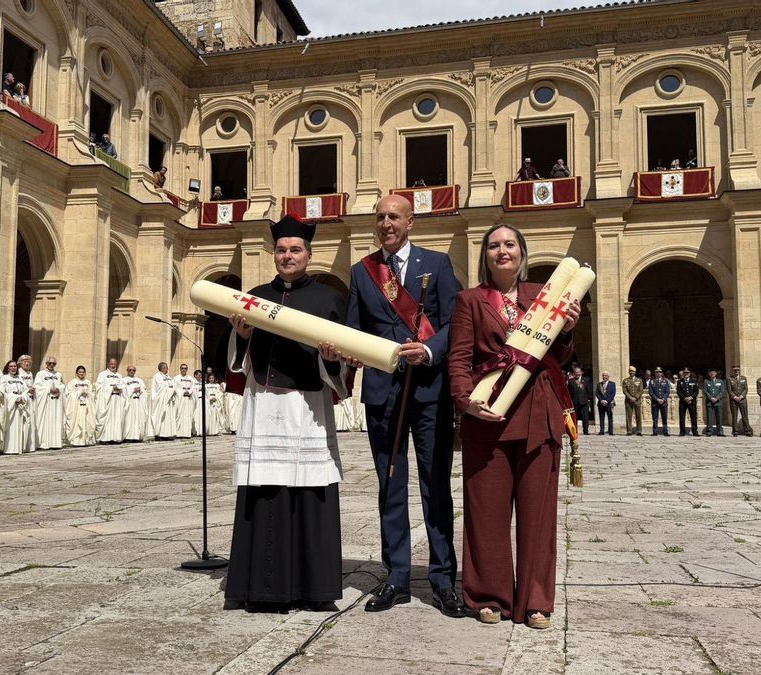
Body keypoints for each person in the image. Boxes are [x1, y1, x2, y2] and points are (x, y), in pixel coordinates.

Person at [447, 223, 578, 629]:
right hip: (489, 414)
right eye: (493, 246)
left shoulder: (545, 295)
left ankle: (537, 600)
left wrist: (568, 330)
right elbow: (459, 357)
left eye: (509, 244)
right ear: (484, 255)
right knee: (486, 511)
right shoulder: (470, 300)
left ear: (522, 252)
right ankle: (489, 595)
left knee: (539, 513)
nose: (502, 251)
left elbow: (561, 356)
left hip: (540, 411)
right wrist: (465, 402)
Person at [347, 194, 463, 618]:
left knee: (436, 487)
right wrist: (341, 348)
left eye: (393, 216)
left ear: (410, 221)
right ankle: (395, 576)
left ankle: (442, 579)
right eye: (379, 217)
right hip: (383, 394)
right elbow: (353, 329)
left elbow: (456, 324)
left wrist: (430, 350)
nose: (385, 223)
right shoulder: (362, 272)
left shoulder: (438, 264)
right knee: (390, 488)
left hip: (429, 391)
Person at [225, 215, 349, 612]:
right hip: (264, 405)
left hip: (306, 408)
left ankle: (313, 588)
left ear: (308, 255)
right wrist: (242, 335)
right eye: (281, 250)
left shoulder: (329, 300)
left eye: (295, 250)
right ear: (273, 255)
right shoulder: (256, 295)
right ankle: (263, 588)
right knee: (266, 492)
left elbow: (342, 361)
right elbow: (236, 361)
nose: (287, 256)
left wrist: (331, 361)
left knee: (310, 492)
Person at [0, 360, 34, 455]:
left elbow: (25, 390)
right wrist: (14, 398)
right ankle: (9, 448)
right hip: (11, 406)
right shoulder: (4, 378)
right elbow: (3, 392)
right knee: (10, 426)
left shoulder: (20, 379)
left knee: (19, 427)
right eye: (11, 366)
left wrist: (23, 397)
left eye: (15, 366)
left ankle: (17, 448)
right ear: (7, 368)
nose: (13, 368)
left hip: (20, 406)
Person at [34, 356, 65, 450]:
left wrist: (59, 389)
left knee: (56, 420)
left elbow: (63, 385)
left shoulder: (58, 374)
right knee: (46, 422)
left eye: (54, 363)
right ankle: (44, 443)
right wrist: (48, 389)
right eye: (49, 363)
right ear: (46, 364)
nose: (51, 365)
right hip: (46, 402)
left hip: (56, 402)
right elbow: (37, 387)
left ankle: (55, 443)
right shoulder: (40, 374)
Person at [95, 358, 125, 444]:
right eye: (112, 364)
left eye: (114, 364)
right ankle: (105, 438)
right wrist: (111, 388)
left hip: (117, 400)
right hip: (107, 400)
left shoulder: (119, 375)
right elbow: (99, 387)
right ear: (108, 364)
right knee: (107, 419)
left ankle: (115, 438)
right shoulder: (102, 374)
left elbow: (123, 386)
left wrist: (119, 388)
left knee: (116, 418)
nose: (113, 365)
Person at [65, 366, 97, 447]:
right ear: (76, 373)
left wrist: (88, 393)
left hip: (86, 406)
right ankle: (76, 441)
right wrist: (79, 392)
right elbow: (68, 395)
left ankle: (87, 440)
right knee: (77, 423)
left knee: (87, 422)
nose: (81, 373)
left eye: (83, 372)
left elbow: (92, 394)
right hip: (76, 407)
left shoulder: (88, 382)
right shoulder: (72, 382)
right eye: (80, 372)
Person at [121, 365, 151, 442]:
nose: (132, 371)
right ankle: (128, 437)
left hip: (138, 402)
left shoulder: (139, 380)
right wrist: (133, 389)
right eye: (130, 370)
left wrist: (140, 390)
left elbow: (144, 388)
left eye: (133, 370)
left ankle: (137, 436)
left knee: (138, 419)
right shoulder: (123, 380)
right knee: (129, 419)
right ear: (127, 371)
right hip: (130, 402)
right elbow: (123, 390)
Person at [150, 362, 176, 439]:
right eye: (164, 367)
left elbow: (172, 385)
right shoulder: (157, 376)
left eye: (167, 367)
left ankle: (167, 434)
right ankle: (159, 434)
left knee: (168, 417)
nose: (166, 369)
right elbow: (161, 387)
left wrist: (173, 390)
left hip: (168, 399)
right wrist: (170, 390)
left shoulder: (169, 377)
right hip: (161, 400)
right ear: (160, 368)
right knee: (161, 416)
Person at [170, 363, 197, 437]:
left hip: (188, 400)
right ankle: (178, 433)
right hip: (180, 400)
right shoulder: (176, 378)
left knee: (188, 415)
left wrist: (189, 392)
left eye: (185, 368)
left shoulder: (191, 379)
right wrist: (182, 392)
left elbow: (193, 388)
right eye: (182, 368)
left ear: (187, 369)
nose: (183, 370)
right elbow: (174, 388)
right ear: (180, 369)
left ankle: (187, 433)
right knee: (179, 415)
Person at [727, 365, 754, 436]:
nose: (736, 372)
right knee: (734, 416)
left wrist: (741, 396)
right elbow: (729, 391)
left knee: (745, 415)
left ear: (739, 371)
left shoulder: (743, 378)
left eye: (737, 370)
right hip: (734, 400)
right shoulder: (729, 379)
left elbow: (746, 389)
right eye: (734, 371)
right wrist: (735, 397)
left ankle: (747, 431)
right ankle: (735, 431)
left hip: (742, 400)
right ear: (732, 371)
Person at [568, 367, 591, 435]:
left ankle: (586, 431)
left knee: (585, 418)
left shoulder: (586, 380)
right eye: (576, 372)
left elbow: (588, 391)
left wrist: (588, 400)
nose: (577, 373)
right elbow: (569, 392)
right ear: (574, 373)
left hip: (584, 402)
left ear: (581, 372)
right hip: (575, 402)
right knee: (575, 418)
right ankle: (574, 431)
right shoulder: (571, 381)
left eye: (578, 372)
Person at [621, 366, 644, 436]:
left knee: (638, 416)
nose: (632, 373)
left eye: (633, 371)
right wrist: (630, 397)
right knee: (628, 416)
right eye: (630, 371)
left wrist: (636, 397)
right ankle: (629, 431)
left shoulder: (639, 380)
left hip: (637, 401)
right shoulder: (625, 380)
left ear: (635, 372)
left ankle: (639, 431)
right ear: (628, 372)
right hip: (628, 400)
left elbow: (641, 390)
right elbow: (624, 390)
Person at [648, 368, 670, 436]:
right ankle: (655, 431)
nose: (658, 373)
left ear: (661, 373)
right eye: (657, 372)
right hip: (655, 402)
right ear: (655, 373)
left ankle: (665, 431)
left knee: (664, 417)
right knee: (655, 418)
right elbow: (651, 392)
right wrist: (657, 399)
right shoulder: (652, 381)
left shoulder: (665, 381)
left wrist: (663, 399)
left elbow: (667, 391)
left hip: (663, 402)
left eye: (659, 372)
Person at [702, 369, 724, 436]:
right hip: (709, 402)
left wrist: (717, 398)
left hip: (718, 402)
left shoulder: (720, 381)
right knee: (709, 417)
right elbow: (705, 391)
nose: (712, 374)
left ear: (716, 373)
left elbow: (722, 391)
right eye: (711, 373)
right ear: (709, 374)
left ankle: (720, 431)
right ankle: (709, 431)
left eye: (714, 372)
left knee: (719, 417)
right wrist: (711, 398)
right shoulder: (706, 381)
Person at [677, 369, 699, 436]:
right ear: (683, 374)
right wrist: (685, 398)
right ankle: (682, 431)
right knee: (682, 417)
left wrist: (691, 398)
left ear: (689, 374)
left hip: (692, 402)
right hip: (683, 402)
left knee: (693, 417)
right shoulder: (679, 381)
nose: (686, 374)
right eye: (685, 373)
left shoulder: (694, 381)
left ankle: (695, 431)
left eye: (687, 373)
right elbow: (679, 391)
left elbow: (696, 391)